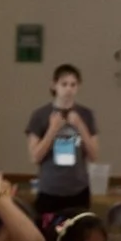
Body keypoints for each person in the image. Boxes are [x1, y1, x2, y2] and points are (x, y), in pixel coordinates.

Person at [24, 64, 98, 224]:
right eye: (64, 84)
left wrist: (80, 126)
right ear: (54, 85)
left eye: (73, 85)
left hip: (78, 190)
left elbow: (94, 155)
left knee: (78, 233)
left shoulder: (86, 115)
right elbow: (35, 157)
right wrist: (52, 129)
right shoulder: (40, 115)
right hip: (50, 190)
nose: (68, 89)